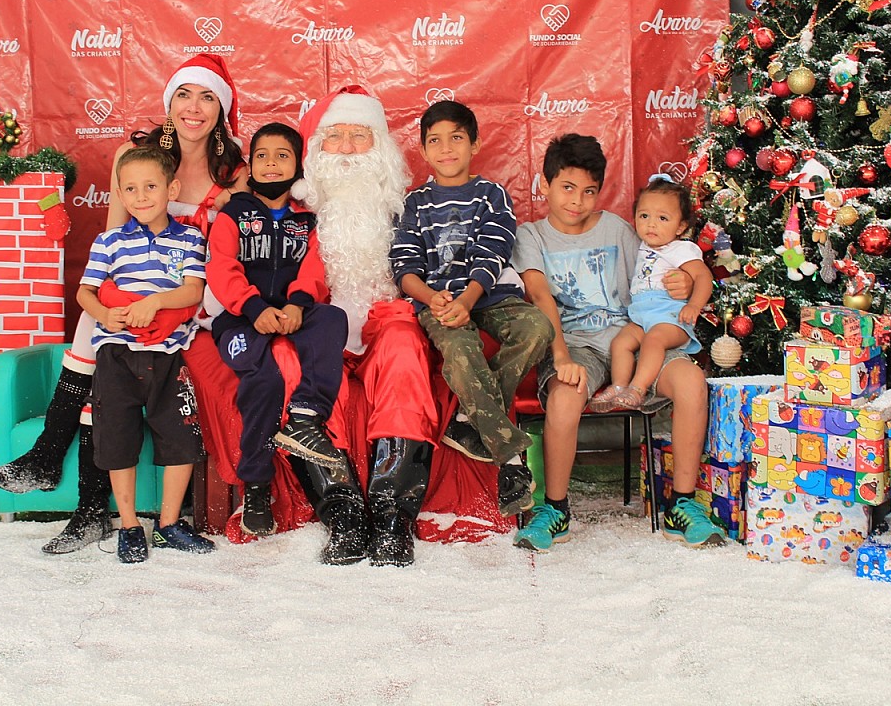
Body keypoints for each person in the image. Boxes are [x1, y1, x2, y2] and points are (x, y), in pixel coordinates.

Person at [0, 53, 244, 553]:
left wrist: (169, 302)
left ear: (222, 108)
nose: (195, 107)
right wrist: (112, 307)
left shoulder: (234, 173)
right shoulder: (134, 154)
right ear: (169, 103)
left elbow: (223, 259)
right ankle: (84, 504)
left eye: (208, 96)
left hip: (191, 297)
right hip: (126, 290)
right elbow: (110, 242)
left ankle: (50, 460)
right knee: (98, 337)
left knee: (102, 343)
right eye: (184, 95)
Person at [510, 134, 726, 552]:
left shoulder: (617, 228)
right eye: (567, 188)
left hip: (638, 337)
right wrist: (559, 357)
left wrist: (683, 282)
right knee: (563, 397)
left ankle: (683, 504)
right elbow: (540, 298)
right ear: (545, 183)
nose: (577, 201)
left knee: (691, 383)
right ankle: (554, 509)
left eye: (589, 191)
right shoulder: (531, 236)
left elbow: (662, 261)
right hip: (577, 345)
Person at [286, 85, 441, 567]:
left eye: (361, 136)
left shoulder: (409, 209)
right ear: (316, 150)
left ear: (383, 151)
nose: (350, 149)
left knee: (403, 346)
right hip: (320, 325)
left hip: (386, 319)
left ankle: (393, 515)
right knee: (293, 364)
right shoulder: (293, 214)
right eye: (336, 137)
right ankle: (344, 514)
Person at [389, 100, 553, 518]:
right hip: (439, 303)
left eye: (456, 138)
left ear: (475, 144)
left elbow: (494, 248)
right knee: (461, 353)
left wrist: (468, 298)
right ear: (423, 151)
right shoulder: (416, 203)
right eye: (435, 142)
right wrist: (432, 298)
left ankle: (468, 417)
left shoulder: (491, 194)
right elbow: (404, 267)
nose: (446, 149)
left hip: (489, 294)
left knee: (536, 328)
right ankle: (512, 460)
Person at [205, 122, 348, 537]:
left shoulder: (309, 219)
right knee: (264, 379)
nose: (271, 164)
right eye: (263, 155)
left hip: (292, 310)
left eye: (282, 155)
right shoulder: (233, 213)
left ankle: (305, 415)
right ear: (250, 165)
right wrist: (251, 308)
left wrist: (299, 304)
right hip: (240, 318)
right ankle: (257, 485)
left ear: (297, 165)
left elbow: (315, 268)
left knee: (333, 318)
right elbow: (221, 266)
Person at [77, 144, 213, 562]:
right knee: (117, 440)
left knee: (182, 439)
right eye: (130, 189)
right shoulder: (109, 241)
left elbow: (194, 290)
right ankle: (130, 525)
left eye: (150, 186)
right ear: (119, 194)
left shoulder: (189, 237)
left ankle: (169, 524)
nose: (141, 196)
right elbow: (86, 291)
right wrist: (104, 314)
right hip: (117, 356)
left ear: (171, 187)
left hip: (168, 357)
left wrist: (155, 303)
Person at [588, 174, 712, 412]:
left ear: (681, 226)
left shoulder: (680, 249)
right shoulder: (642, 245)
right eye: (644, 216)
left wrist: (694, 305)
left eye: (663, 218)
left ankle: (638, 388)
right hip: (641, 317)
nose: (651, 224)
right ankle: (619, 386)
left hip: (670, 319)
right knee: (621, 342)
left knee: (654, 340)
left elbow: (703, 276)